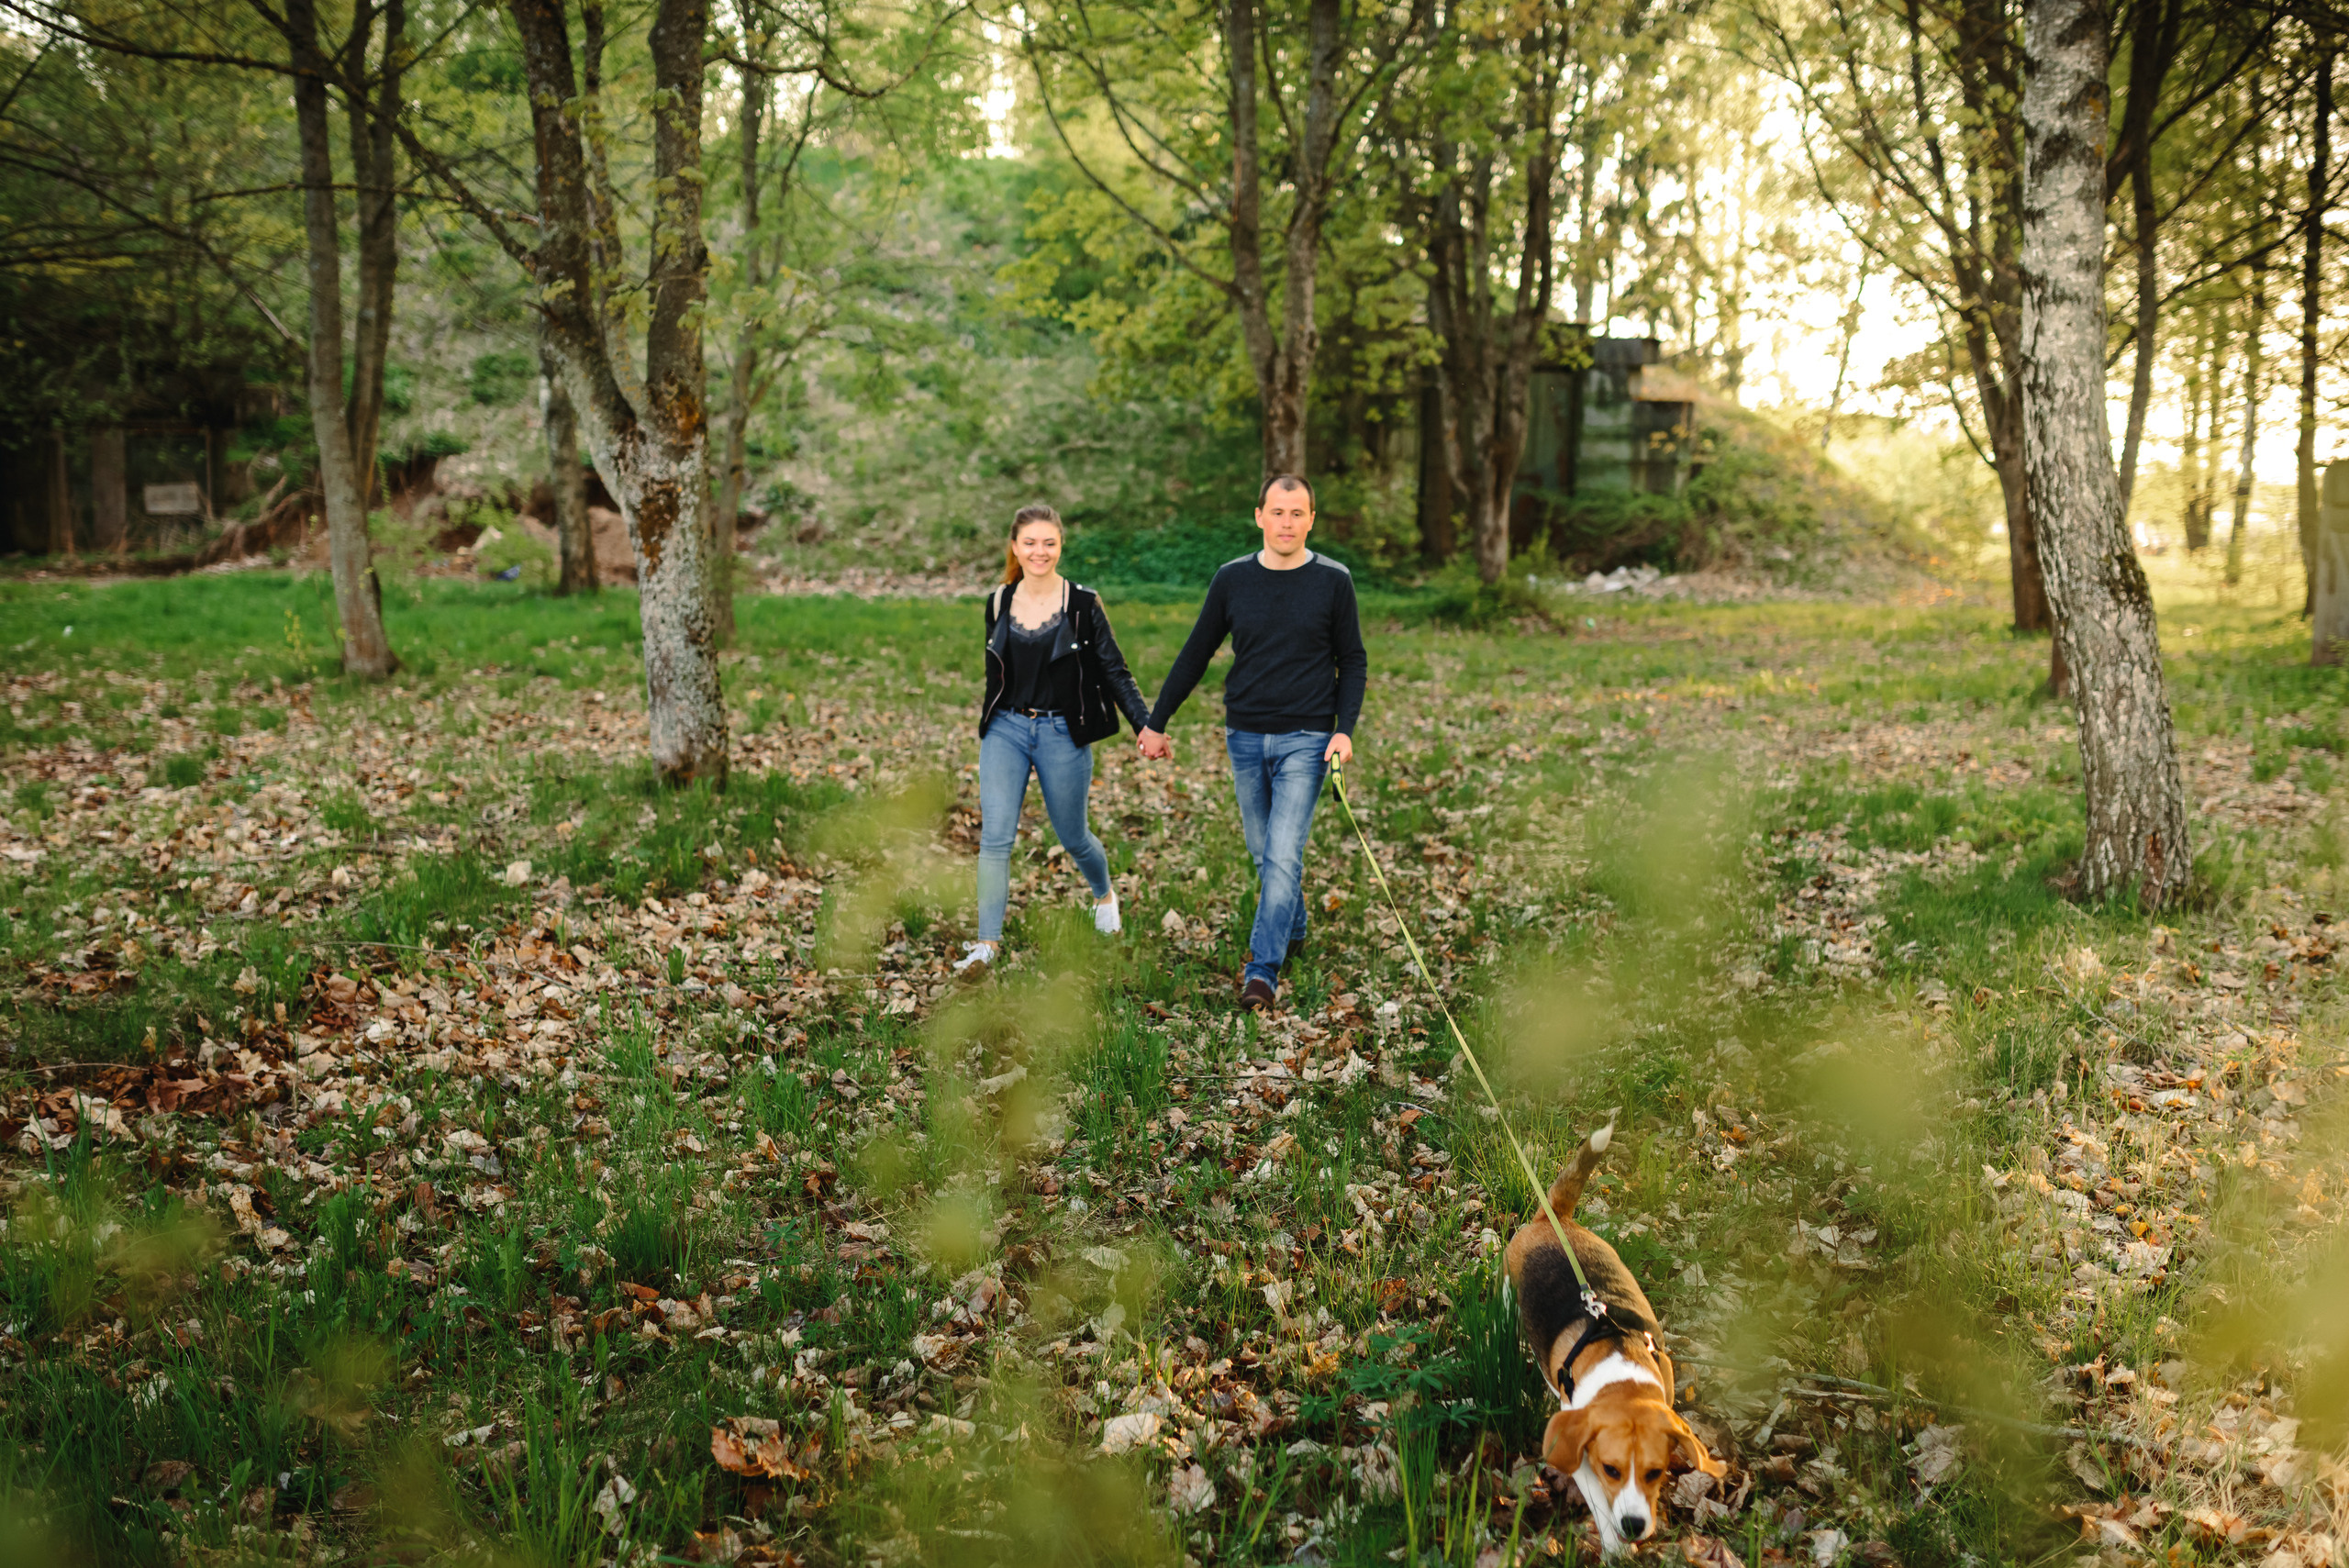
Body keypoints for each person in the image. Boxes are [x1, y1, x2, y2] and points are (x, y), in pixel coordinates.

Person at [1136, 475, 1366, 1011]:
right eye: (1277, 512)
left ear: (1312, 519)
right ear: (1258, 515)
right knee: (1266, 854)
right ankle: (1294, 924)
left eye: (1298, 513)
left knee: (1284, 854)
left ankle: (1262, 970)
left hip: (1307, 739)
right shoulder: (1232, 579)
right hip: (1243, 735)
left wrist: (1343, 730)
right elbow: (1196, 652)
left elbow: (1352, 659)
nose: (1287, 523)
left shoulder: (1334, 580)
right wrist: (1157, 720)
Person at [956, 504, 1153, 976]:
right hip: (1006, 728)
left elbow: (1115, 670)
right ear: (1015, 547)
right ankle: (987, 946)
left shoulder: (1083, 605)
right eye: (1030, 543)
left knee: (1073, 836)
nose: (1039, 551)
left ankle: (1104, 896)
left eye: (1049, 542)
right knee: (995, 839)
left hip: (1063, 731)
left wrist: (1145, 724)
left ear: (1060, 545)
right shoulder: (999, 602)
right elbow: (997, 675)